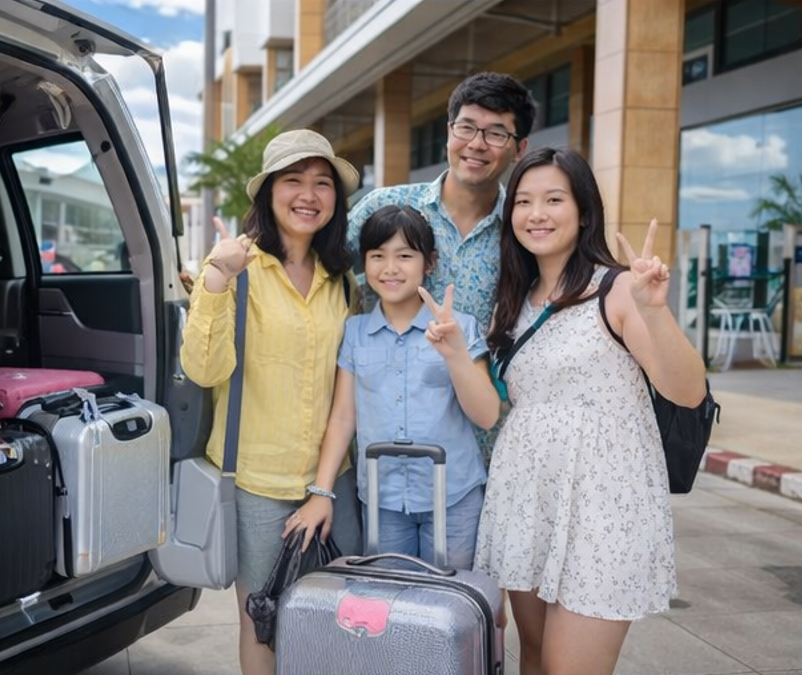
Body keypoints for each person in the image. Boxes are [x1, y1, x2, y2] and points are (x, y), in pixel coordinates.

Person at [473, 147, 708, 675]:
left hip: (606, 505)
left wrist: (655, 312)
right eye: (525, 201)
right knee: (532, 656)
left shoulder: (617, 287)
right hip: (527, 497)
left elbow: (687, 391)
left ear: (583, 211)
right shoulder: (514, 299)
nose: (537, 213)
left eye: (554, 199)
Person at [180, 129, 364, 675]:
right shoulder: (235, 266)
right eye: (294, 181)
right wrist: (217, 280)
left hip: (333, 480)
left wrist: (324, 488)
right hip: (258, 482)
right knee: (263, 621)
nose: (309, 195)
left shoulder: (343, 281)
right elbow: (203, 370)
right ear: (268, 193)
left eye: (322, 183)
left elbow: (344, 391)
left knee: (339, 619)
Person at [285, 205, 500, 569]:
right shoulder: (355, 332)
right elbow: (342, 418)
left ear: (428, 263)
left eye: (404, 255)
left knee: (449, 609)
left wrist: (455, 354)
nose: (390, 268)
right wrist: (321, 493)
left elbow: (487, 415)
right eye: (377, 256)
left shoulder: (459, 326)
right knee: (391, 608)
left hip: (454, 498)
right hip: (382, 500)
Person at [347, 71, 537, 463]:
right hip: (383, 446)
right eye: (466, 127)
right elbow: (316, 265)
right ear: (449, 132)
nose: (476, 144)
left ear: (519, 149)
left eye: (496, 133)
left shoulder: (523, 231)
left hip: (481, 449)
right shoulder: (383, 208)